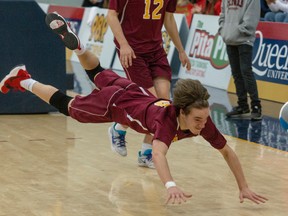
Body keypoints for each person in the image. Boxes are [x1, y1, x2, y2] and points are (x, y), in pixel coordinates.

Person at [0, 12, 268, 205]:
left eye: (204, 118)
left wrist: (243, 186)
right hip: (115, 103)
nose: (202, 124)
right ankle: (24, 78)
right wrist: (170, 185)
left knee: (97, 72)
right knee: (69, 107)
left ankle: (80, 46)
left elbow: (227, 152)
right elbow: (160, 155)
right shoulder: (167, 122)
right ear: (181, 111)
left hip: (132, 91)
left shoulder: (199, 118)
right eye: (197, 119)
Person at [106, 0, 191, 168]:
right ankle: (119, 127)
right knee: (150, 102)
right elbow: (111, 16)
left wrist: (181, 50)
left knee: (164, 106)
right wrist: (123, 44)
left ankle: (146, 153)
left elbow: (169, 19)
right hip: (132, 50)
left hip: (155, 50)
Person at [218, 0, 262, 120]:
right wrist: (224, 30)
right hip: (229, 39)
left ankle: (256, 106)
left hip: (244, 40)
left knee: (246, 71)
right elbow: (222, 15)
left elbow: (251, 20)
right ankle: (242, 105)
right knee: (236, 73)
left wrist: (234, 31)